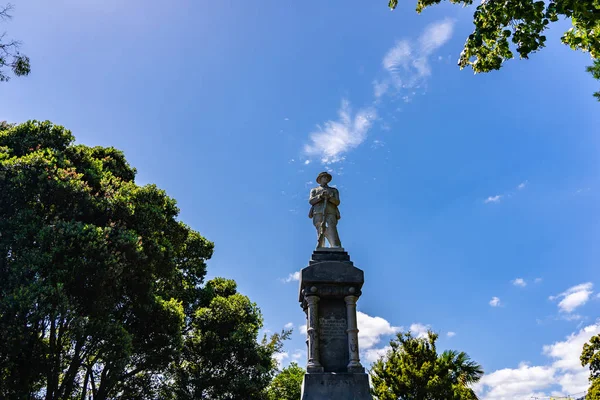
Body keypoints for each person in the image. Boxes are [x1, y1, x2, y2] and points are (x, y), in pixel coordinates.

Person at [308, 171, 342, 248]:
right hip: (318, 211)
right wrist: (320, 196)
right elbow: (311, 201)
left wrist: (329, 197)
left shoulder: (334, 190)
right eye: (324, 177)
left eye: (327, 177)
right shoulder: (314, 190)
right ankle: (320, 245)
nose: (326, 178)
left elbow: (337, 202)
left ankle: (336, 245)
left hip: (331, 211)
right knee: (320, 228)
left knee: (332, 228)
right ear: (320, 179)